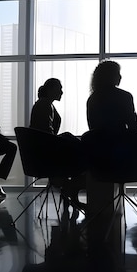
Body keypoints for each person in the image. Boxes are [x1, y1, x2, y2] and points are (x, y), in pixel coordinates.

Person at [30, 78, 86, 210]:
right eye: (59, 88)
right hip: (47, 154)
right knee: (80, 154)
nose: (62, 92)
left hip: (46, 151)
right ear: (50, 90)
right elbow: (47, 135)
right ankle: (71, 190)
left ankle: (69, 190)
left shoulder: (45, 104)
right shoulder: (44, 105)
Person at [86, 60, 137, 132]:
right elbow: (133, 126)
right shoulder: (124, 97)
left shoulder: (92, 99)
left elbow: (92, 129)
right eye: (117, 73)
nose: (120, 76)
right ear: (110, 76)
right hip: (120, 141)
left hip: (99, 142)